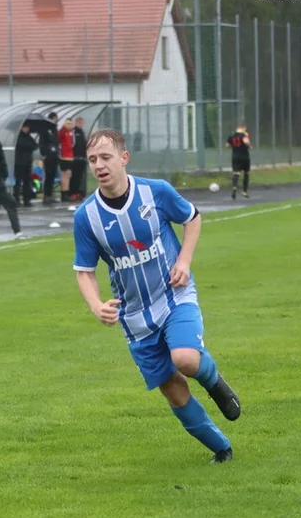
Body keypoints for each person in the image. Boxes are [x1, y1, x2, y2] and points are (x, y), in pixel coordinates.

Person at [72, 127, 241, 464]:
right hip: (134, 318)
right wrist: (96, 305)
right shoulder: (86, 217)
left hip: (174, 296)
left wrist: (184, 260)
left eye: (105, 157)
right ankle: (221, 449)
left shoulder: (155, 192)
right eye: (92, 160)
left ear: (124, 158)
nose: (99, 165)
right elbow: (84, 271)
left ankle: (215, 383)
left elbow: (192, 218)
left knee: (185, 358)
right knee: (172, 388)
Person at [224, 122, 251, 200]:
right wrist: (249, 145)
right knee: (246, 173)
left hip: (235, 156)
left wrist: (234, 147)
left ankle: (234, 187)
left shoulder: (232, 135)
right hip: (244, 156)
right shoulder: (244, 135)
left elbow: (227, 145)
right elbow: (246, 141)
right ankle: (244, 191)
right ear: (243, 128)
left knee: (236, 173)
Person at [13, 123, 38, 207]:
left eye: (27, 127)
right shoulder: (18, 136)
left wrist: (28, 146)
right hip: (19, 162)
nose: (26, 129)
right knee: (18, 181)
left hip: (28, 162)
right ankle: (16, 199)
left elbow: (35, 145)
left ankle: (26, 200)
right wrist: (28, 146)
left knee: (27, 182)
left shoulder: (29, 137)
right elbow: (22, 145)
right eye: (25, 127)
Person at [39, 112, 60, 205]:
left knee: (52, 175)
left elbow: (56, 142)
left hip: (55, 155)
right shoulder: (45, 129)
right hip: (48, 156)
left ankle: (50, 194)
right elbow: (42, 142)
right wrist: (44, 154)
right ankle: (46, 195)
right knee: (48, 175)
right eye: (54, 118)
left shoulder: (55, 129)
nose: (56, 120)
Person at [70, 116, 88, 200]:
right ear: (76, 123)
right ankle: (72, 192)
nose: (80, 125)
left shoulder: (82, 132)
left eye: (82, 123)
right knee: (74, 176)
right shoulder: (73, 132)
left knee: (80, 177)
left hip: (82, 158)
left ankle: (78, 192)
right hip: (75, 158)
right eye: (79, 123)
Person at [58, 118, 75, 202]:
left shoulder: (71, 132)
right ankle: (64, 193)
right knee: (64, 174)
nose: (69, 125)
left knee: (68, 175)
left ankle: (66, 192)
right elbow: (59, 138)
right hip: (64, 156)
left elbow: (72, 143)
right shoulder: (63, 131)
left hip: (70, 156)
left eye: (70, 124)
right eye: (68, 123)